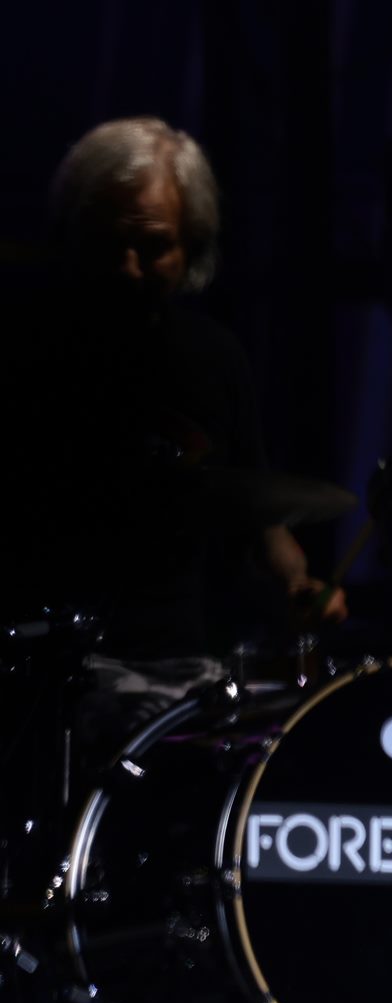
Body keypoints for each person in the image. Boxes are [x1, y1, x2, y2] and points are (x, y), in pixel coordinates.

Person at [2, 116, 345, 729]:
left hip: (187, 672)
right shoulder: (25, 352)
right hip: (50, 673)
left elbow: (264, 520)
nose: (130, 268)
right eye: (110, 244)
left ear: (192, 247)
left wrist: (299, 582)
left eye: (154, 246)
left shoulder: (216, 358)